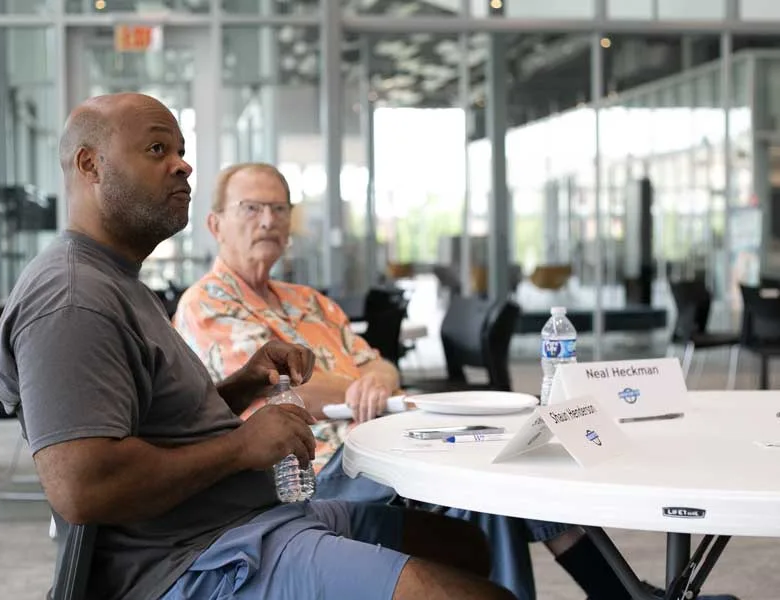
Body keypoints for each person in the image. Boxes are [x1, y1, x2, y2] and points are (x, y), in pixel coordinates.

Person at [0, 93, 515, 600]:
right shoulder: (73, 299)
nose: (182, 167)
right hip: (196, 560)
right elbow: (84, 487)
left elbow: (155, 424)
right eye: (157, 150)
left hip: (250, 518)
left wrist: (240, 389)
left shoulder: (117, 281)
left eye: (181, 152)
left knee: (459, 546)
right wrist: (241, 446)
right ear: (90, 165)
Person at [174, 162, 740, 600]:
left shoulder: (309, 301)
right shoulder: (208, 303)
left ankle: (614, 592)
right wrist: (361, 386)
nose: (269, 220)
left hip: (383, 443)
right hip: (314, 474)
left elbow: (380, 363)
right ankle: (617, 592)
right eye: (252, 208)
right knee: (489, 481)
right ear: (216, 223)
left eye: (279, 208)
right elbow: (276, 386)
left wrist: (373, 382)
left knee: (509, 458)